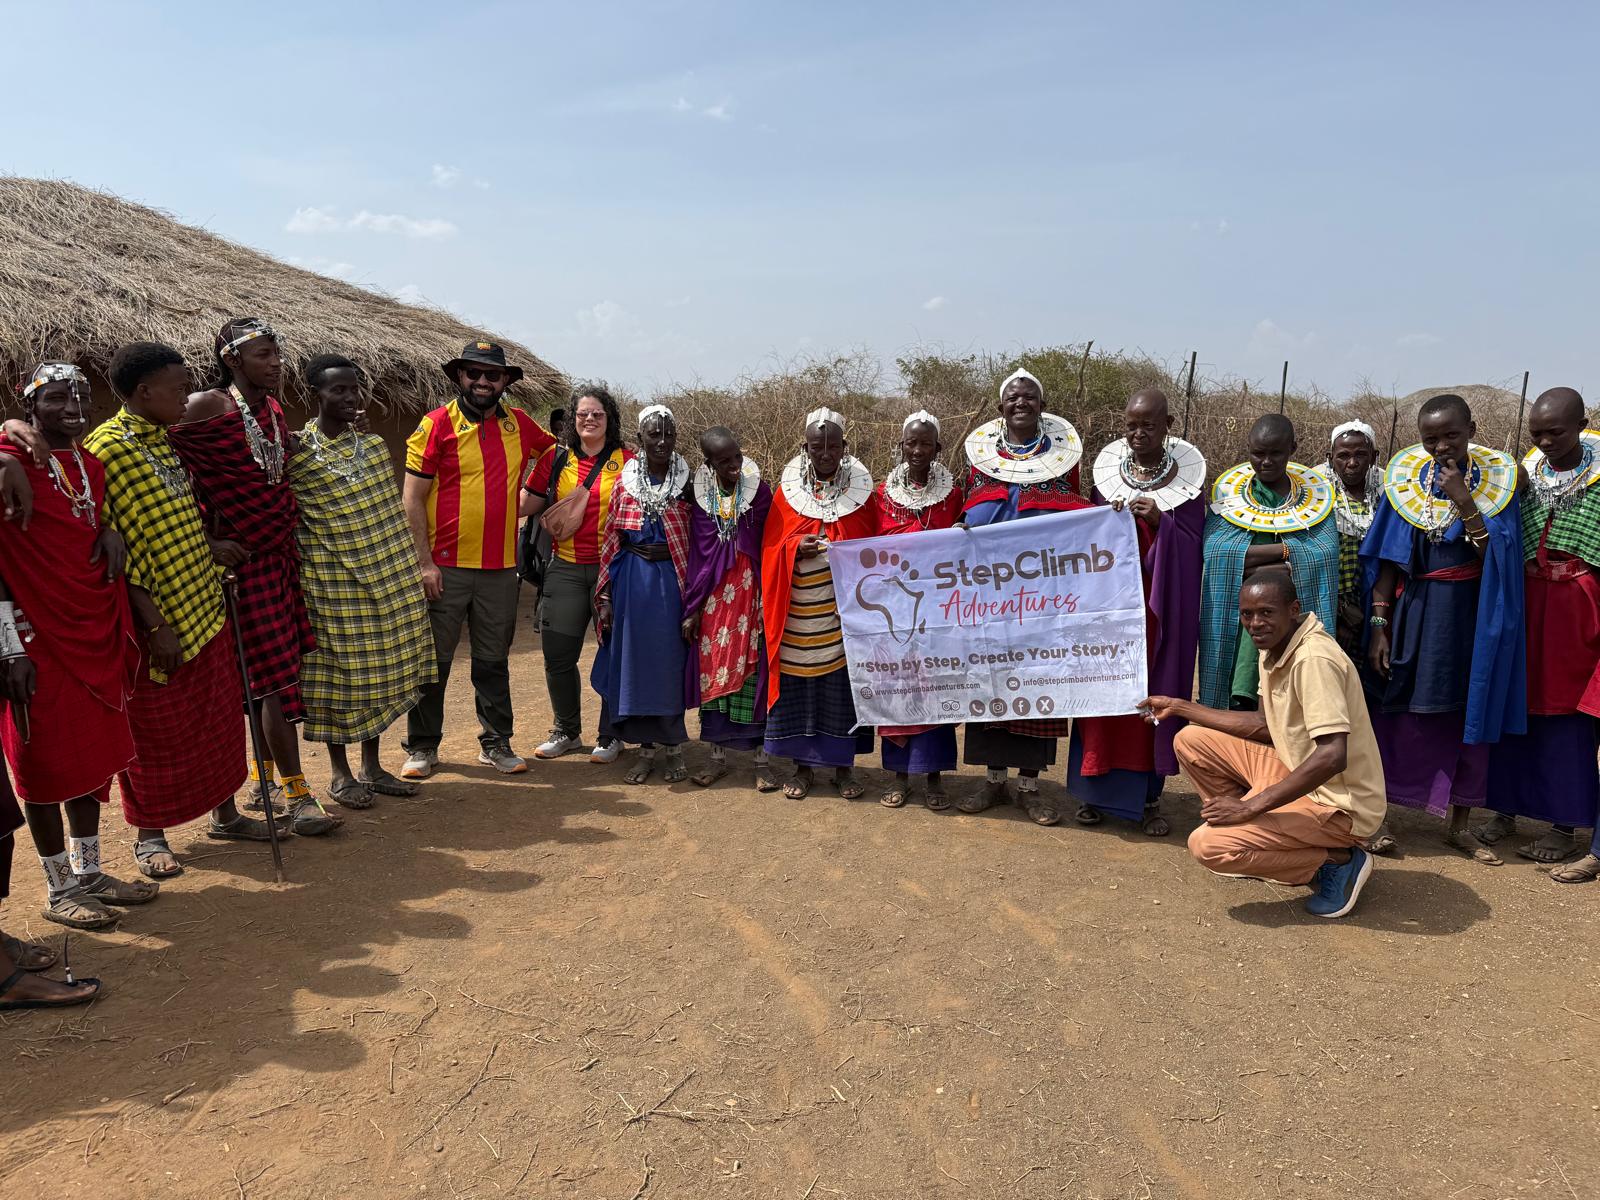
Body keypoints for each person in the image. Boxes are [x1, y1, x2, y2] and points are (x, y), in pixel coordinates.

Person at [83, 342, 272, 875]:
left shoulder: (165, 441)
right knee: (156, 732)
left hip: (203, 601)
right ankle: (151, 835)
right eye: (179, 388)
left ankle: (226, 815)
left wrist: (209, 549)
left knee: (217, 720)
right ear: (145, 392)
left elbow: (170, 519)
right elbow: (117, 547)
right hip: (156, 619)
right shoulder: (108, 451)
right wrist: (156, 624)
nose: (188, 397)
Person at [168, 318, 336, 835]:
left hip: (277, 557)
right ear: (232, 360)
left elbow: (272, 468)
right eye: (264, 354)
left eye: (277, 353)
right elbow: (161, 462)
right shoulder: (206, 406)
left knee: (269, 680)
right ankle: (298, 795)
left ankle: (266, 784)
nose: (276, 363)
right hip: (239, 565)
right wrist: (207, 540)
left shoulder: (272, 409)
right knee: (272, 683)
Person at [0, 364, 152, 930]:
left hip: (93, 629)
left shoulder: (90, 466)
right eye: (58, 398)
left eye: (82, 396)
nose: (73, 407)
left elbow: (81, 523)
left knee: (91, 763)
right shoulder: (11, 461)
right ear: (31, 407)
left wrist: (107, 532)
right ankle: (58, 886)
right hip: (35, 639)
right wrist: (9, 648)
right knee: (44, 765)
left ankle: (89, 872)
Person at [1144, 569, 1383, 918]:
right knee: (1191, 740)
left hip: (1340, 804)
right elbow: (1263, 724)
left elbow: (1333, 755)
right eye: (1247, 614)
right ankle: (1265, 842)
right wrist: (1181, 707)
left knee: (1208, 847)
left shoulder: (1314, 660)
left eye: (1266, 612)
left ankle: (1337, 860)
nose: (1255, 623)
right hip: (1299, 772)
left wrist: (1251, 807)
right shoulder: (1276, 645)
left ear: (1293, 609)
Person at [1363, 394, 1524, 863]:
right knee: (1397, 711)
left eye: (1451, 435)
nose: (1440, 447)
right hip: (1417, 613)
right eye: (1430, 438)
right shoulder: (1404, 487)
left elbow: (1498, 558)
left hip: (1474, 615)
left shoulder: (1500, 485)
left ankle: (1459, 825)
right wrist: (1379, 626)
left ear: (1471, 431)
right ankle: (1378, 816)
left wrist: (1464, 501)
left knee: (1469, 711)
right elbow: (1387, 564)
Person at [402, 340, 555, 778]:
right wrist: (424, 564)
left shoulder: (520, 424)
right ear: (459, 377)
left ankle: (496, 742)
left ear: (505, 381)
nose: (483, 381)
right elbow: (412, 498)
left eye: (492, 374)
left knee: (493, 661)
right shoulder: (436, 424)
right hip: (444, 568)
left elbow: (554, 454)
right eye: (474, 373)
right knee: (433, 661)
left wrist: (533, 495)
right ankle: (423, 746)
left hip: (500, 569)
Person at [290, 355, 435, 807]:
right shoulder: (297, 452)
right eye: (338, 390)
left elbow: (386, 515)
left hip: (385, 578)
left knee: (383, 670)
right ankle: (340, 774)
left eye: (354, 388)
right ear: (316, 395)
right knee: (338, 675)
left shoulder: (372, 447)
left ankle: (372, 766)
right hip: (332, 584)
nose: (350, 397)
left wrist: (406, 572)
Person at [957, 368, 1089, 823]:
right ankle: (993, 780)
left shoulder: (1064, 461)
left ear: (1042, 406)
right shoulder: (980, 461)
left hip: (1042, 598)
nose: (1021, 403)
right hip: (989, 596)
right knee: (990, 682)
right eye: (1013, 397)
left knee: (1037, 683)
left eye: (1029, 397)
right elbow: (973, 511)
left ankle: (1030, 786)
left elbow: (1074, 521)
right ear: (1001, 408)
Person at [1074, 387, 1207, 835]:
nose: (1138, 434)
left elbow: (1195, 547)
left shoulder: (1188, 489)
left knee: (1149, 696)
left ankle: (1148, 800)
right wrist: (1106, 519)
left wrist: (1160, 523)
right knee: (1103, 695)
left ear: (1168, 426)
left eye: (1148, 425)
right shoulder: (1105, 481)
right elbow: (1085, 545)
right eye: (1131, 425)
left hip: (1158, 615)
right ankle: (1092, 793)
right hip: (1110, 610)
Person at [1480, 388, 1600, 865]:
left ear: (1582, 425)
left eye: (1556, 431)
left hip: (1577, 611)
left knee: (1567, 715)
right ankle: (1505, 809)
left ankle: (1563, 824)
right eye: (1537, 433)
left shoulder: (1598, 482)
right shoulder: (1524, 478)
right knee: (1516, 703)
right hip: (1526, 603)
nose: (1546, 441)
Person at [760, 408, 877, 799]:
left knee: (840, 691)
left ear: (845, 447)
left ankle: (844, 769)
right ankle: (804, 767)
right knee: (802, 690)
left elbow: (874, 546)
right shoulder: (786, 494)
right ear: (804, 448)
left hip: (844, 617)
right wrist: (796, 547)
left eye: (833, 446)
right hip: (797, 613)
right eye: (816, 447)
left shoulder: (863, 495)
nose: (825, 454)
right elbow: (771, 547)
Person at [1199, 414, 1339, 711]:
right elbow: (1216, 553)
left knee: (1293, 699)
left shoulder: (1318, 499)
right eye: (1258, 453)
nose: (1265, 461)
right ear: (1248, 449)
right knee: (1240, 698)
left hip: (1293, 612)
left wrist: (1264, 562)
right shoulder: (1227, 497)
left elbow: (1323, 553)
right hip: (1239, 616)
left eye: (1275, 453)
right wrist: (1288, 556)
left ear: (1293, 449)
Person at [520, 386, 630, 761]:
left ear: (610, 419)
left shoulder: (629, 461)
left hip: (612, 571)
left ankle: (610, 734)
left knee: (613, 654)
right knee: (558, 656)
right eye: (582, 414)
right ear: (573, 419)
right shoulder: (556, 459)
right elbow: (526, 503)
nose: (589, 420)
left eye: (597, 414)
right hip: (564, 568)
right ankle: (566, 730)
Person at [591, 406, 694, 783]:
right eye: (654, 435)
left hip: (672, 582)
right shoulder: (626, 482)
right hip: (633, 582)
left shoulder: (687, 482)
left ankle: (674, 749)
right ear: (640, 439)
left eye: (669, 434)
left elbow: (698, 539)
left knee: (669, 664)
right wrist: (606, 599)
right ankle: (646, 751)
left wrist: (695, 600)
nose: (662, 442)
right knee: (636, 664)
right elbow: (612, 537)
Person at [871, 411, 964, 810]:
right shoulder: (881, 494)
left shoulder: (953, 495)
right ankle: (899, 776)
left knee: (935, 688)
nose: (918, 450)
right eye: (912, 443)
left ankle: (934, 777)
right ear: (902, 446)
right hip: (894, 609)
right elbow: (867, 548)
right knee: (897, 689)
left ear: (938, 448)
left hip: (938, 611)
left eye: (926, 443)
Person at [681, 426, 776, 790]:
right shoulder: (701, 499)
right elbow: (699, 555)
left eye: (737, 456)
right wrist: (693, 608)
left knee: (754, 674)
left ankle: (762, 762)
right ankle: (716, 758)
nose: (735, 464)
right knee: (713, 674)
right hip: (713, 602)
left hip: (751, 597)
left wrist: (768, 598)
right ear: (709, 464)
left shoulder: (759, 494)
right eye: (724, 461)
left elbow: (770, 546)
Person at [1314, 421, 1382, 658]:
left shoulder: (1387, 491)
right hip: (1329, 599)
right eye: (1343, 456)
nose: (1352, 463)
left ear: (1373, 457)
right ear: (1330, 457)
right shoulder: (1316, 493)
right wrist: (1341, 611)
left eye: (1360, 455)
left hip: (1375, 598)